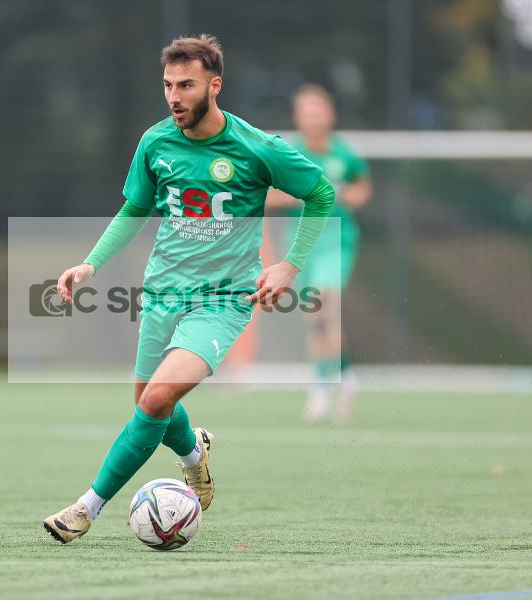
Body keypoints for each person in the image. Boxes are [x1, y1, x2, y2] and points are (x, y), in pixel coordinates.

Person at [42, 35, 335, 543]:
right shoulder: (156, 143)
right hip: (160, 294)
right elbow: (135, 208)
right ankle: (194, 455)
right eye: (167, 86)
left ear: (214, 86)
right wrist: (90, 265)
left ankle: (86, 508)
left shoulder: (255, 147)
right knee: (150, 406)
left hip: (222, 302)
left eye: (186, 85)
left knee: (155, 399)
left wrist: (290, 264)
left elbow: (321, 192)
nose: (174, 96)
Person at [266, 84, 372, 423]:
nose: (312, 117)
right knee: (315, 316)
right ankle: (339, 377)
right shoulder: (286, 155)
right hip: (299, 244)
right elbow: (267, 197)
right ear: (297, 116)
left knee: (326, 302)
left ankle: (323, 388)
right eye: (306, 110)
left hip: (336, 241)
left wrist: (350, 195)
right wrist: (312, 196)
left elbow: (361, 187)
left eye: (318, 110)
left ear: (330, 115)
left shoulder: (344, 154)